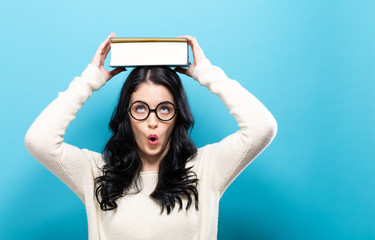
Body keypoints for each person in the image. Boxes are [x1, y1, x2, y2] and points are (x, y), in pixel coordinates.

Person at [24, 33, 277, 240]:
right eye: (141, 109)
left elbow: (262, 128)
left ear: (178, 115)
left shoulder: (207, 167)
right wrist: (89, 80)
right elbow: (39, 141)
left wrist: (207, 73)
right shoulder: (96, 173)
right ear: (127, 114)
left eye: (164, 108)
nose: (153, 122)